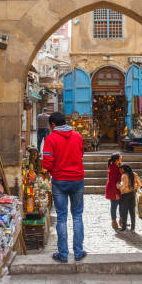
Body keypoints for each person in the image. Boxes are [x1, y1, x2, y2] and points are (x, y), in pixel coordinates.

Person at [42, 112, 86, 263]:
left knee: (61, 218)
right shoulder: (77, 136)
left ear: (53, 124)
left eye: (49, 125)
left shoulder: (51, 138)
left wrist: (53, 170)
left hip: (60, 181)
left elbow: (47, 163)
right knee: (78, 216)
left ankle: (63, 254)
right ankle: (78, 252)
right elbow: (81, 155)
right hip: (77, 180)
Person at [117, 164, 142, 232]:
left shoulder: (124, 176)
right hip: (132, 194)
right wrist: (134, 187)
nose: (120, 170)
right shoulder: (134, 174)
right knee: (132, 211)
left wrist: (118, 186)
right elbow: (140, 184)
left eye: (121, 169)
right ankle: (133, 228)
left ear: (124, 169)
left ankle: (124, 228)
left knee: (124, 211)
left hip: (125, 195)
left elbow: (123, 186)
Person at [105, 153, 122, 230]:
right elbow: (112, 182)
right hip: (113, 189)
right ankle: (114, 222)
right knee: (114, 206)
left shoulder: (118, 166)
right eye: (120, 157)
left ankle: (122, 220)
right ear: (116, 160)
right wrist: (116, 193)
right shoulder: (112, 168)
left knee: (121, 205)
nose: (121, 158)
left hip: (119, 188)